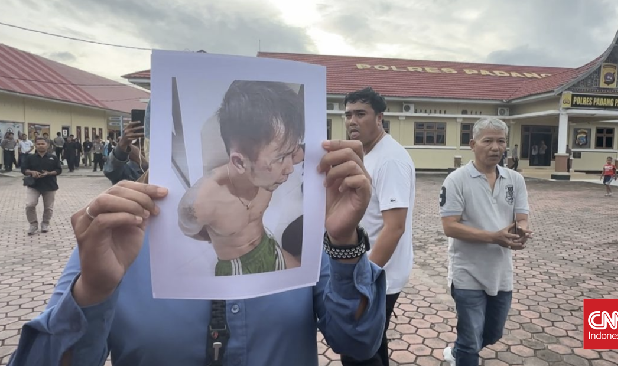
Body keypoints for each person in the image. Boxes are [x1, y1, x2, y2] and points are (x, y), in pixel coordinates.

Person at [7, 100, 387, 366]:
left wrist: (344, 243)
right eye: (206, 168)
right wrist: (90, 293)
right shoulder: (113, 241)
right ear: (154, 152)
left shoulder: (296, 239)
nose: (219, 181)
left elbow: (359, 341)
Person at [177, 81, 304, 276]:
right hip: (235, 267)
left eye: (291, 154)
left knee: (309, 279)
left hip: (268, 245)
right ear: (239, 162)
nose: (290, 168)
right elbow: (191, 231)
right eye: (280, 158)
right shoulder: (200, 202)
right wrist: (222, 235)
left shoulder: (268, 174)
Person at [439, 117, 532, 366]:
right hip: (467, 272)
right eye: (488, 140)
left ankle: (457, 352)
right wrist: (494, 237)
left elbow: (521, 218)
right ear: (473, 144)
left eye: (501, 141)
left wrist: (520, 232)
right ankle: (463, 354)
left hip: (501, 272)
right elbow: (450, 226)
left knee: (492, 333)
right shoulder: (456, 180)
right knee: (471, 341)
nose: (495, 147)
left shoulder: (515, 180)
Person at [340, 87, 415, 366]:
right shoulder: (367, 153)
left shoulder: (390, 160)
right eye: (348, 114)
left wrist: (364, 282)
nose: (352, 121)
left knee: (357, 348)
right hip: (366, 269)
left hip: (377, 275)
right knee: (371, 343)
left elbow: (394, 227)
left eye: (361, 114)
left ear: (379, 117)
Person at [20, 137, 62, 235]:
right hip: (34, 185)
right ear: (35, 145)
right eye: (38, 144)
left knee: (48, 207)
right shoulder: (30, 157)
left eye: (43, 144)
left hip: (49, 185)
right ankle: (33, 224)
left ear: (47, 145)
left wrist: (49, 173)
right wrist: (31, 172)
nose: (40, 145)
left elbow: (59, 170)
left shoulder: (53, 157)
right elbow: (23, 169)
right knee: (30, 204)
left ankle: (45, 223)